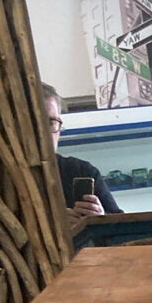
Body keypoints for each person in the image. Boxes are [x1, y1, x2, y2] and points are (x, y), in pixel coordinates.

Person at [42, 82, 121, 229]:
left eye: (50, 122)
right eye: (34, 123)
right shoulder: (4, 178)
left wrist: (100, 219)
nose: (42, 132)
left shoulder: (81, 170)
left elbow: (121, 231)